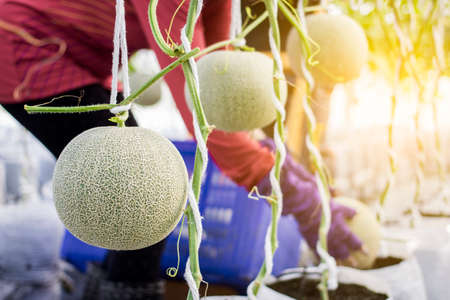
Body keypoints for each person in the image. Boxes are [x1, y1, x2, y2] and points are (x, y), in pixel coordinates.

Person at [0, 0, 362, 299]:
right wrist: (284, 187)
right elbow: (197, 101)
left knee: (138, 201)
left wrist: (265, 155)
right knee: (140, 197)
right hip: (24, 47)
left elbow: (218, 79)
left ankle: (109, 290)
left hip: (69, 53)